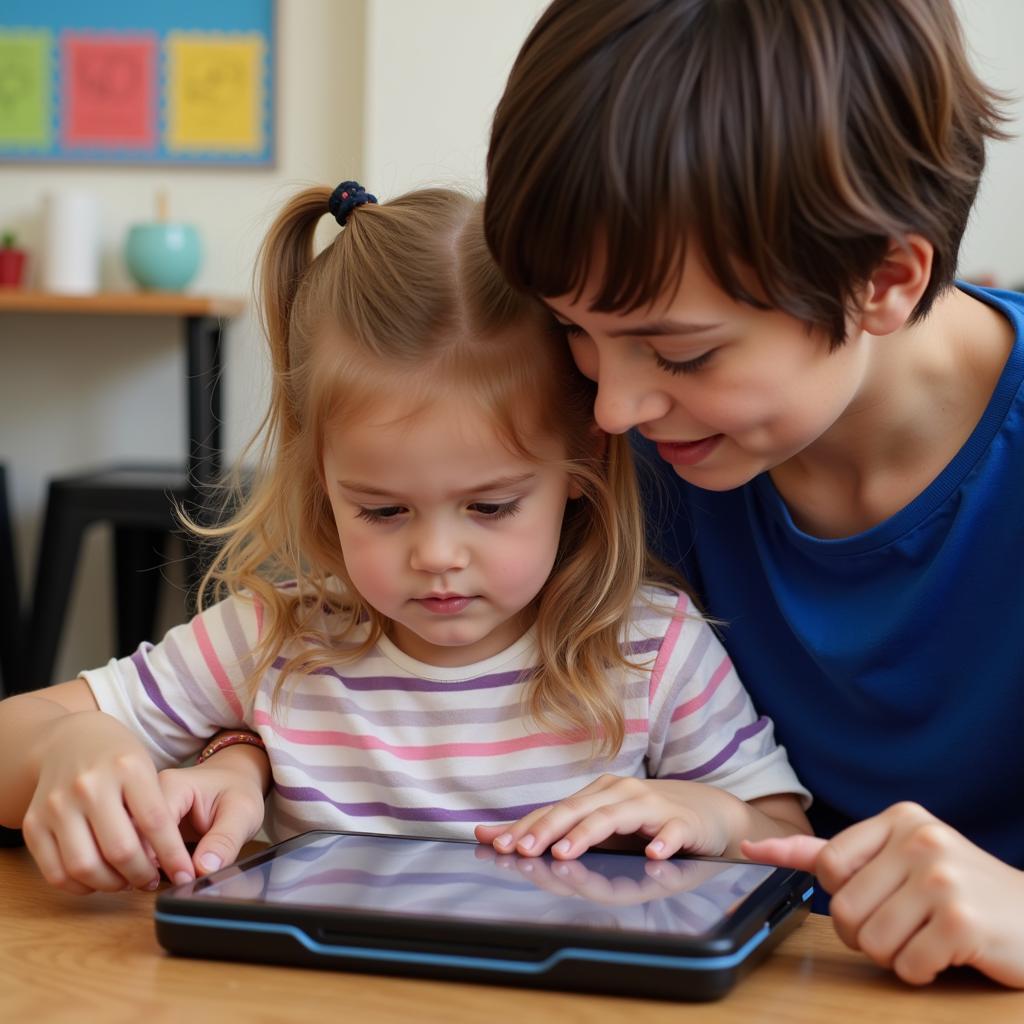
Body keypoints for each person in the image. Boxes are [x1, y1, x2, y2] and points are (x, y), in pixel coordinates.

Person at [0, 182, 811, 898]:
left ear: (582, 459)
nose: (436, 556)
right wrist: (74, 742)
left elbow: (780, 837)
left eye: (490, 507)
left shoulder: (653, 650)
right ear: (321, 478)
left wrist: (702, 813)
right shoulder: (269, 640)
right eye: (383, 511)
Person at [482, 0, 1024, 989]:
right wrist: (231, 758)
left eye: (680, 351)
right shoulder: (643, 437)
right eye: (573, 330)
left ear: (884, 281)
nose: (610, 407)